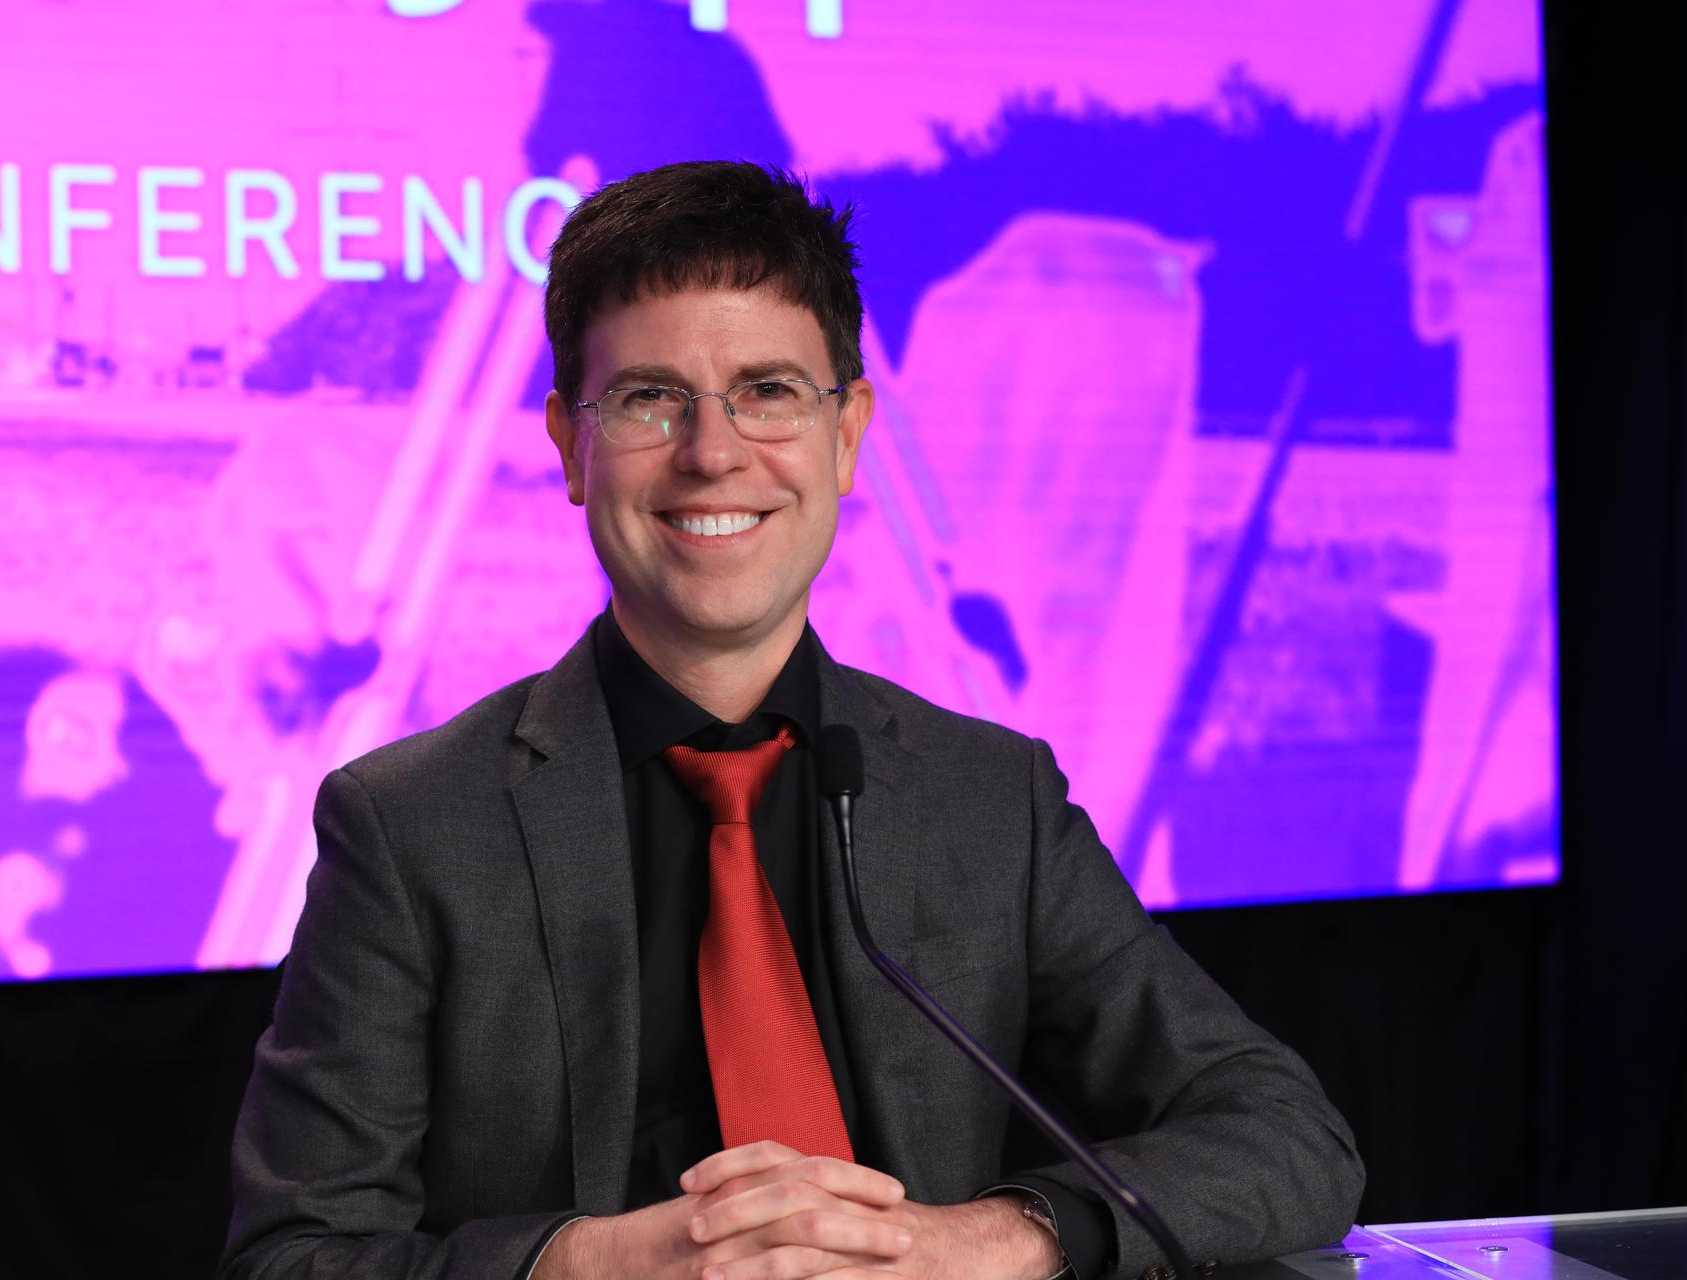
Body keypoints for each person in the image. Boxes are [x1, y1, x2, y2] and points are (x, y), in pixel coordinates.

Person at [222, 160, 1364, 1280]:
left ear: (849, 431)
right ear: (570, 445)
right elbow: (292, 1255)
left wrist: (985, 1239)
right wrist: (585, 1265)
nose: (713, 451)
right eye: (649, 397)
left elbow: (1286, 1136)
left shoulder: (990, 798)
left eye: (768, 389)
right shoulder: (411, 824)